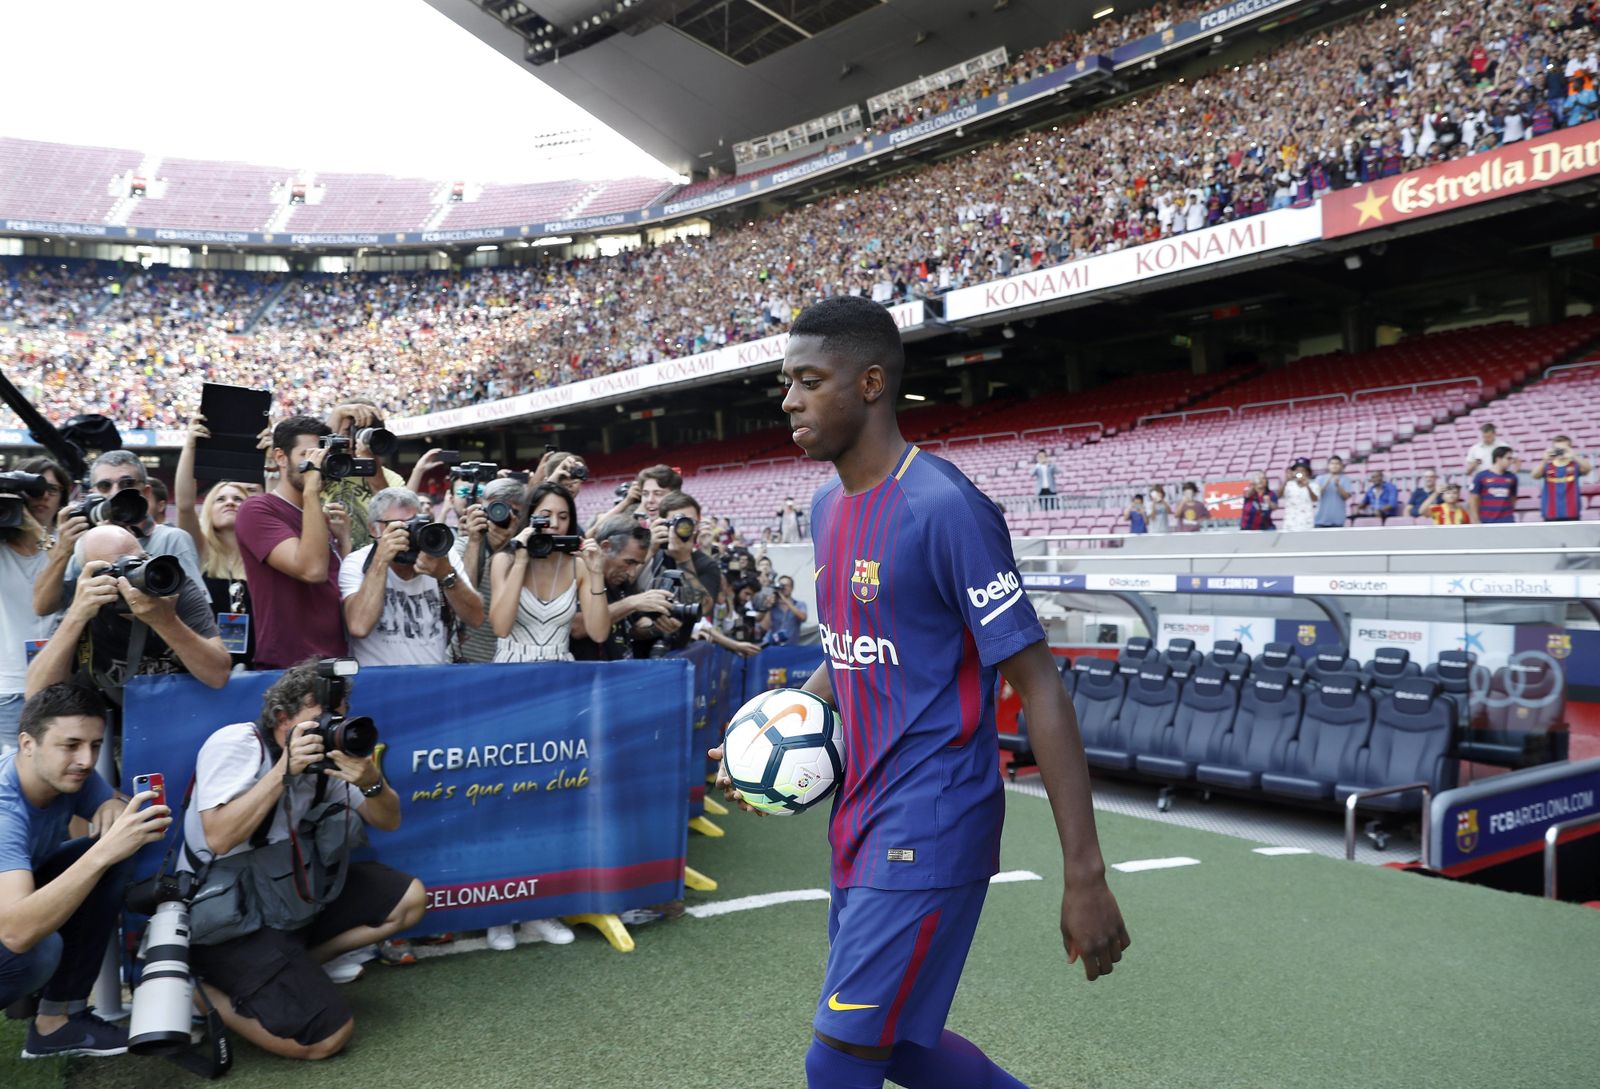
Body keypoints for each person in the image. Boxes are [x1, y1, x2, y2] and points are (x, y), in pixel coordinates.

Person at [713, 295, 1128, 1089]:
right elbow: (848, 651)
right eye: (784, 381)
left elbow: (1038, 683)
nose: (788, 400)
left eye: (808, 380)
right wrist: (770, 732)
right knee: (898, 1040)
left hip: (932, 820)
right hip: (860, 819)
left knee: (837, 1057)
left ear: (870, 383)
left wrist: (1085, 873)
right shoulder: (828, 505)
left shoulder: (946, 507)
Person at [179, 662, 425, 1060]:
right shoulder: (238, 744)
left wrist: (370, 781)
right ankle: (203, 997)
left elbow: (389, 820)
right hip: (229, 917)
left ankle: (298, 970)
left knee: (409, 899)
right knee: (326, 1038)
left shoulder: (330, 760)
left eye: (337, 718)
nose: (331, 728)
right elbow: (220, 836)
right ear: (282, 718)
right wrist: (284, 770)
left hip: (290, 901)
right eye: (319, 720)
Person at [0, 684, 171, 1058]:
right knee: (38, 948)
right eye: (71, 745)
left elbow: (120, 813)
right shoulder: (4, 811)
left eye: (95, 745)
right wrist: (101, 854)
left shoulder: (63, 773)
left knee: (118, 848)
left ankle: (57, 1022)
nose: (86, 759)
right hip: (10, 925)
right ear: (27, 744)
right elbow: (14, 932)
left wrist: (112, 805)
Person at [26, 525, 231, 701]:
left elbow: (218, 674)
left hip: (181, 713)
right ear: (90, 577)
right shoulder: (85, 600)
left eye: (140, 561)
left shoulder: (172, 586)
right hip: (110, 727)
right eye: (117, 569)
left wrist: (166, 621)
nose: (134, 574)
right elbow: (36, 694)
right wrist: (76, 617)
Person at [234, 417, 350, 670]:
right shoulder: (257, 509)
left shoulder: (320, 516)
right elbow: (312, 570)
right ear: (281, 457)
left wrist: (345, 542)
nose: (316, 464)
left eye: (321, 455)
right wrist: (311, 490)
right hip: (288, 665)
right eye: (307, 454)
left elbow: (339, 586)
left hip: (337, 660)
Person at [33, 450, 204, 618]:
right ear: (92, 494)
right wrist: (63, 551)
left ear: (145, 492)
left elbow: (196, 614)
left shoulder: (170, 539)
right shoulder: (80, 542)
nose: (115, 493)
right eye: (105, 486)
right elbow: (43, 607)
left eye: (127, 484)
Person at [339, 488, 483, 667]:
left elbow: (476, 618)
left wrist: (446, 574)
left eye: (415, 524)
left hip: (431, 681)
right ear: (374, 529)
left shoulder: (442, 556)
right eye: (399, 526)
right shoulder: (358, 562)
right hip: (378, 683)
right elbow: (358, 626)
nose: (409, 533)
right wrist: (380, 562)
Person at [491, 482, 607, 665]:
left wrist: (597, 574)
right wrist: (521, 562)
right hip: (511, 667)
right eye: (545, 516)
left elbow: (599, 633)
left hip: (561, 669)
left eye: (563, 517)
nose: (554, 524)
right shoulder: (505, 561)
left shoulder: (579, 566)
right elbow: (501, 628)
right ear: (530, 518)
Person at [1, 466, 62, 753]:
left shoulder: (68, 544)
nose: (41, 497)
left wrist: (34, 527)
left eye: (51, 490)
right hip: (8, 686)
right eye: (33, 491)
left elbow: (69, 564)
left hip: (59, 683)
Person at [569, 516, 676, 662]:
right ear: (606, 547)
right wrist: (630, 603)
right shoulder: (581, 572)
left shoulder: (620, 582)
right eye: (629, 562)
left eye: (637, 564)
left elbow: (635, 627)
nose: (631, 572)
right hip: (585, 677)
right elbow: (577, 627)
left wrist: (659, 626)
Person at [450, 477, 527, 663]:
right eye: (496, 508)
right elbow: (464, 601)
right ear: (481, 509)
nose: (503, 516)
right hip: (467, 659)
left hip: (511, 658)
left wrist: (509, 547)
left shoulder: (526, 553)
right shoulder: (461, 546)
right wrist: (475, 542)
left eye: (514, 512)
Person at [1534, 435, 1591, 522]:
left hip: (1572, 514)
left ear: (1570, 449)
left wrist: (1573, 456)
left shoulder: (1574, 465)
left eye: (1563, 449)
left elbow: (1588, 469)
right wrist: (1544, 460)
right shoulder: (1548, 466)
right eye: (1557, 449)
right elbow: (1535, 475)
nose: (1560, 452)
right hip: (1550, 514)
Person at [1470, 446, 1519, 524]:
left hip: (1507, 521)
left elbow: (1513, 498)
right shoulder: (1481, 476)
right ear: (1498, 459)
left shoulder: (1512, 477)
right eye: (1508, 458)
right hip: (1487, 521)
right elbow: (1474, 499)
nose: (1511, 461)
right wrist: (1475, 519)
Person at [765, 574, 808, 645]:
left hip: (792, 647)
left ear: (792, 588)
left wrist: (784, 599)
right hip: (774, 646)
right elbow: (766, 626)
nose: (784, 588)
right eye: (782, 585)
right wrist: (768, 606)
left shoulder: (799, 604)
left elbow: (803, 618)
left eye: (786, 585)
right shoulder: (773, 605)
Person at [1313, 455, 1353, 528]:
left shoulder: (1346, 479)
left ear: (1341, 466)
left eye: (1337, 463)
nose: (1334, 466)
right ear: (1328, 466)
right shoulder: (1320, 478)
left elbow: (1346, 497)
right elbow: (1316, 496)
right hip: (1320, 520)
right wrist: (1326, 484)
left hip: (1337, 521)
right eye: (1332, 463)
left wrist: (1338, 485)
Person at [1280, 459, 1318, 532]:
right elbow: (1279, 496)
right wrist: (1285, 481)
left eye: (1302, 470)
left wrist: (1307, 486)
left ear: (1307, 472)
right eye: (1297, 470)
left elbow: (1315, 499)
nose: (1300, 473)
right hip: (1290, 523)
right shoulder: (1289, 484)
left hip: (1306, 523)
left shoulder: (1313, 484)